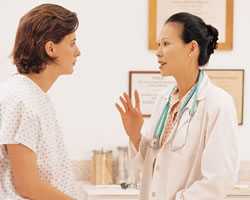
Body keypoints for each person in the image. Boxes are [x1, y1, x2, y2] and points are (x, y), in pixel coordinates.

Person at [116, 12, 239, 200]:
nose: (158, 52)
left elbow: (219, 180)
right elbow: (149, 169)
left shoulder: (218, 103)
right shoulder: (164, 100)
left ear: (192, 49)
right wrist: (135, 135)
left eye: (165, 44)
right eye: (158, 45)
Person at [0, 4, 81, 200]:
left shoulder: (33, 95)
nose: (78, 51)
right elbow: (27, 186)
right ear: (51, 48)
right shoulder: (22, 100)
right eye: (72, 43)